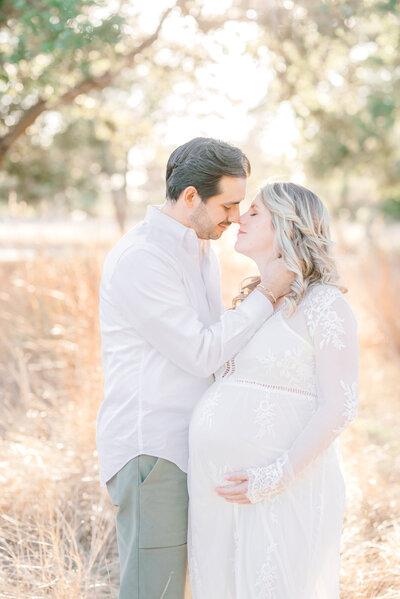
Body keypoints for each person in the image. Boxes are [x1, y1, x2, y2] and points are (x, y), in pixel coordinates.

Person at [96, 138, 293, 599]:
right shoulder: (143, 258)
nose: (235, 217)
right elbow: (202, 352)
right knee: (155, 592)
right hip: (154, 452)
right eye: (227, 205)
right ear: (189, 197)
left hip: (192, 447)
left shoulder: (198, 249)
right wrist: (266, 295)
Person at [188, 181, 359, 599]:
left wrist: (275, 477)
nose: (239, 217)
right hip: (217, 494)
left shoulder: (324, 304)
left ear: (287, 226)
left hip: (282, 490)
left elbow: (341, 405)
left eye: (255, 212)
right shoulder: (252, 301)